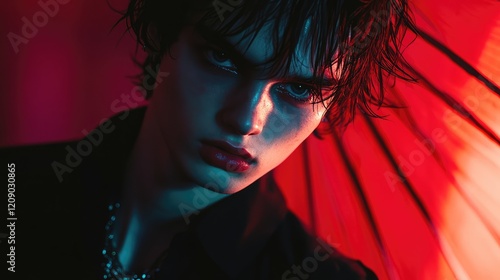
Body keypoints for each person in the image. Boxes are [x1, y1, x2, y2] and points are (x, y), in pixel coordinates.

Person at [2, 0, 415, 279]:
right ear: (164, 39)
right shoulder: (13, 188)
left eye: (300, 90)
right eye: (224, 59)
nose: (245, 119)